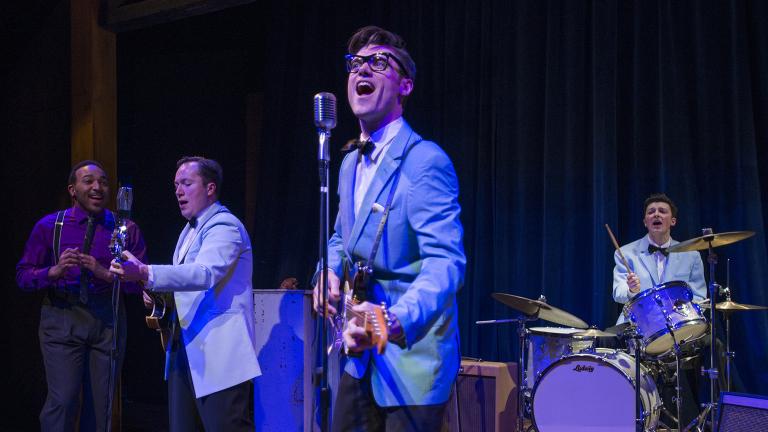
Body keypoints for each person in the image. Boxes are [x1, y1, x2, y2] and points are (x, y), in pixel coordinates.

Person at [312, 26, 466, 432]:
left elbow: (446, 264)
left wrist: (394, 321)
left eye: (379, 62)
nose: (363, 69)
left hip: (411, 361)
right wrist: (327, 273)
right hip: (358, 359)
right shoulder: (347, 164)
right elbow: (342, 239)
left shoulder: (425, 162)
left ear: (405, 85)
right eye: (356, 64)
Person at [110, 156, 260, 431]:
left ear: (210, 188)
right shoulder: (187, 231)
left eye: (187, 183)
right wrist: (157, 294)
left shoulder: (225, 226)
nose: (178, 190)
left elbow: (204, 274)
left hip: (219, 354)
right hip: (185, 349)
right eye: (176, 184)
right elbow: (187, 289)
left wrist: (145, 272)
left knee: (225, 426)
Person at [16, 160, 147, 431]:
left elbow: (141, 285)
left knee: (101, 407)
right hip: (62, 317)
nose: (97, 187)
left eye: (103, 182)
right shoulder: (51, 226)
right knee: (62, 401)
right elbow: (23, 276)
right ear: (73, 189)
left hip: (107, 320)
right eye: (88, 181)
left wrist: (105, 273)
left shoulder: (125, 229)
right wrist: (53, 271)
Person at [612, 193, 718, 428]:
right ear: (645, 221)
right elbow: (617, 292)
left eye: (662, 211)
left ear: (673, 221)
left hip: (678, 327)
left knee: (714, 344)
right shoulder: (625, 253)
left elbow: (700, 296)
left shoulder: (691, 254)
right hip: (638, 328)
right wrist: (630, 290)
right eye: (651, 212)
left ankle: (713, 416)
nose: (656, 214)